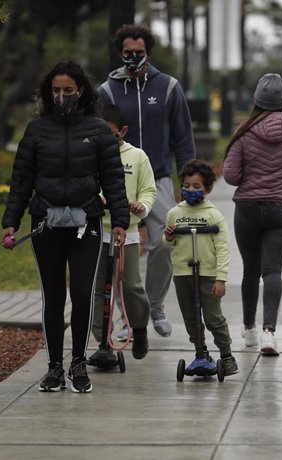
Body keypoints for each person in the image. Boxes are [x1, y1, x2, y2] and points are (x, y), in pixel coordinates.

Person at [1, 61, 129, 393]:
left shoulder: (99, 130)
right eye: (55, 91)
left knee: (84, 293)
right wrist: (11, 223)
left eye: (68, 91)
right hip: (46, 222)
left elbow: (113, 180)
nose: (61, 96)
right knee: (53, 295)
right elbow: (21, 180)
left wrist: (119, 221)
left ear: (81, 91)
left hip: (86, 222)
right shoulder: (36, 130)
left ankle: (77, 363)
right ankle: (55, 366)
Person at [98, 24, 196, 338]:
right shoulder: (107, 91)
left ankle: (154, 306)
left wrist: (188, 181)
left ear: (148, 53)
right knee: (116, 251)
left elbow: (183, 138)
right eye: (128, 53)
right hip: (117, 178)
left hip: (160, 177)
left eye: (139, 53)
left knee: (165, 243)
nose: (133, 58)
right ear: (119, 53)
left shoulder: (168, 87)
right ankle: (127, 318)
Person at [223, 73, 282, 356]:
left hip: (247, 209)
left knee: (251, 269)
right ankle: (269, 333)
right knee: (272, 271)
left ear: (256, 100)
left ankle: (248, 329)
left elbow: (232, 176)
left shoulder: (244, 132)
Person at [89, 104, 157, 362]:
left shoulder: (137, 156)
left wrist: (142, 206)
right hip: (96, 231)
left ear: (123, 131)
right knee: (98, 289)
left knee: (130, 285)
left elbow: (149, 190)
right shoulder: (90, 155)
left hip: (125, 233)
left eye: (110, 133)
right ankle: (103, 344)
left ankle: (138, 328)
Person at [163, 159, 238, 376]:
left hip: (207, 274)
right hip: (183, 273)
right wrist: (168, 237)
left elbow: (223, 248)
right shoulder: (175, 213)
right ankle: (200, 352)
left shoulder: (214, 216)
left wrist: (221, 278)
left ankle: (226, 355)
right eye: (186, 186)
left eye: (196, 187)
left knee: (213, 318)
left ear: (208, 189)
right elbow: (169, 242)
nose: (190, 190)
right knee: (191, 317)